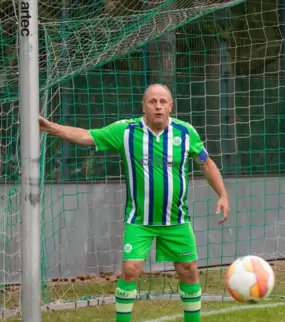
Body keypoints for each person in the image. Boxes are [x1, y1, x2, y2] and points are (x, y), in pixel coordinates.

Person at [39, 83, 230, 322]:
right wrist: (51, 127)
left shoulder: (185, 132)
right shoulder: (126, 131)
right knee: (130, 270)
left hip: (177, 220)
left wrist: (222, 194)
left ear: (170, 106)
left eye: (163, 101)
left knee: (189, 271)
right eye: (152, 101)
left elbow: (207, 163)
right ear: (144, 106)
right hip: (139, 220)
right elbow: (87, 136)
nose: (158, 106)